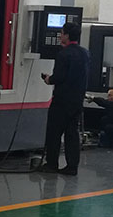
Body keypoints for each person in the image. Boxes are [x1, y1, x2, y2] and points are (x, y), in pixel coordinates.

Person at [39, 21, 90, 176]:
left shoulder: (63, 54)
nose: (60, 36)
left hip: (61, 101)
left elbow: (59, 77)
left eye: (61, 33)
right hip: (76, 100)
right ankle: (72, 166)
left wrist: (48, 79)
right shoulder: (85, 53)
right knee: (72, 134)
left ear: (67, 36)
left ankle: (51, 164)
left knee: (54, 132)